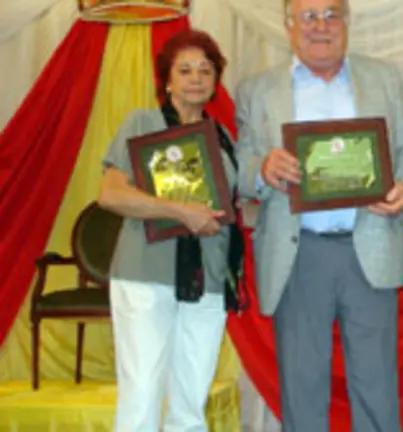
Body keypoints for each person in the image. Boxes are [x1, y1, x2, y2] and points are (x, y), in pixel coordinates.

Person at [234, 0, 403, 430]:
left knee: (376, 385)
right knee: (302, 387)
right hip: (298, 252)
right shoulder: (257, 90)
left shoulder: (383, 78)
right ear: (288, 27)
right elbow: (241, 169)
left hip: (370, 246)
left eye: (331, 14)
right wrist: (263, 170)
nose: (321, 25)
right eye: (308, 16)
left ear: (346, 23)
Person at [97, 29, 244, 431]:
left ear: (216, 79)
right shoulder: (142, 122)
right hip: (145, 274)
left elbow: (235, 204)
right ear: (167, 79)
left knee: (191, 399)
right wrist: (181, 211)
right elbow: (110, 194)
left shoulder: (225, 138)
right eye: (185, 70)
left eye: (205, 69)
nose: (196, 77)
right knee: (142, 391)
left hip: (208, 280)